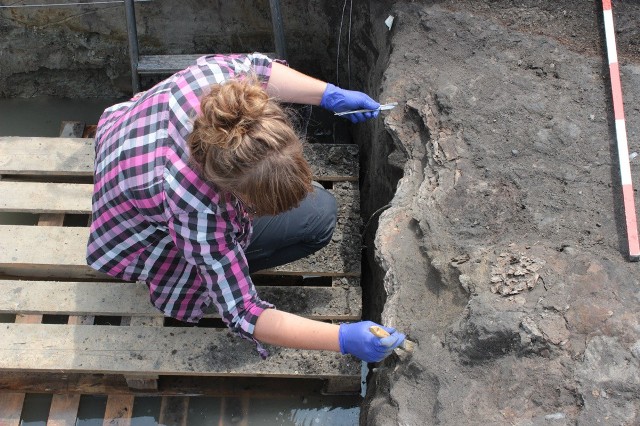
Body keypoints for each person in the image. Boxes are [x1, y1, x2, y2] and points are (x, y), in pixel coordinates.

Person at [87, 53, 404, 363]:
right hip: (139, 227)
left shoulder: (219, 84)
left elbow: (261, 69)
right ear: (229, 189)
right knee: (319, 218)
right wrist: (342, 339)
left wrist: (329, 95)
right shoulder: (197, 213)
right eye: (258, 208)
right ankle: (210, 278)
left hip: (128, 142)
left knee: (315, 204)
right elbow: (243, 313)